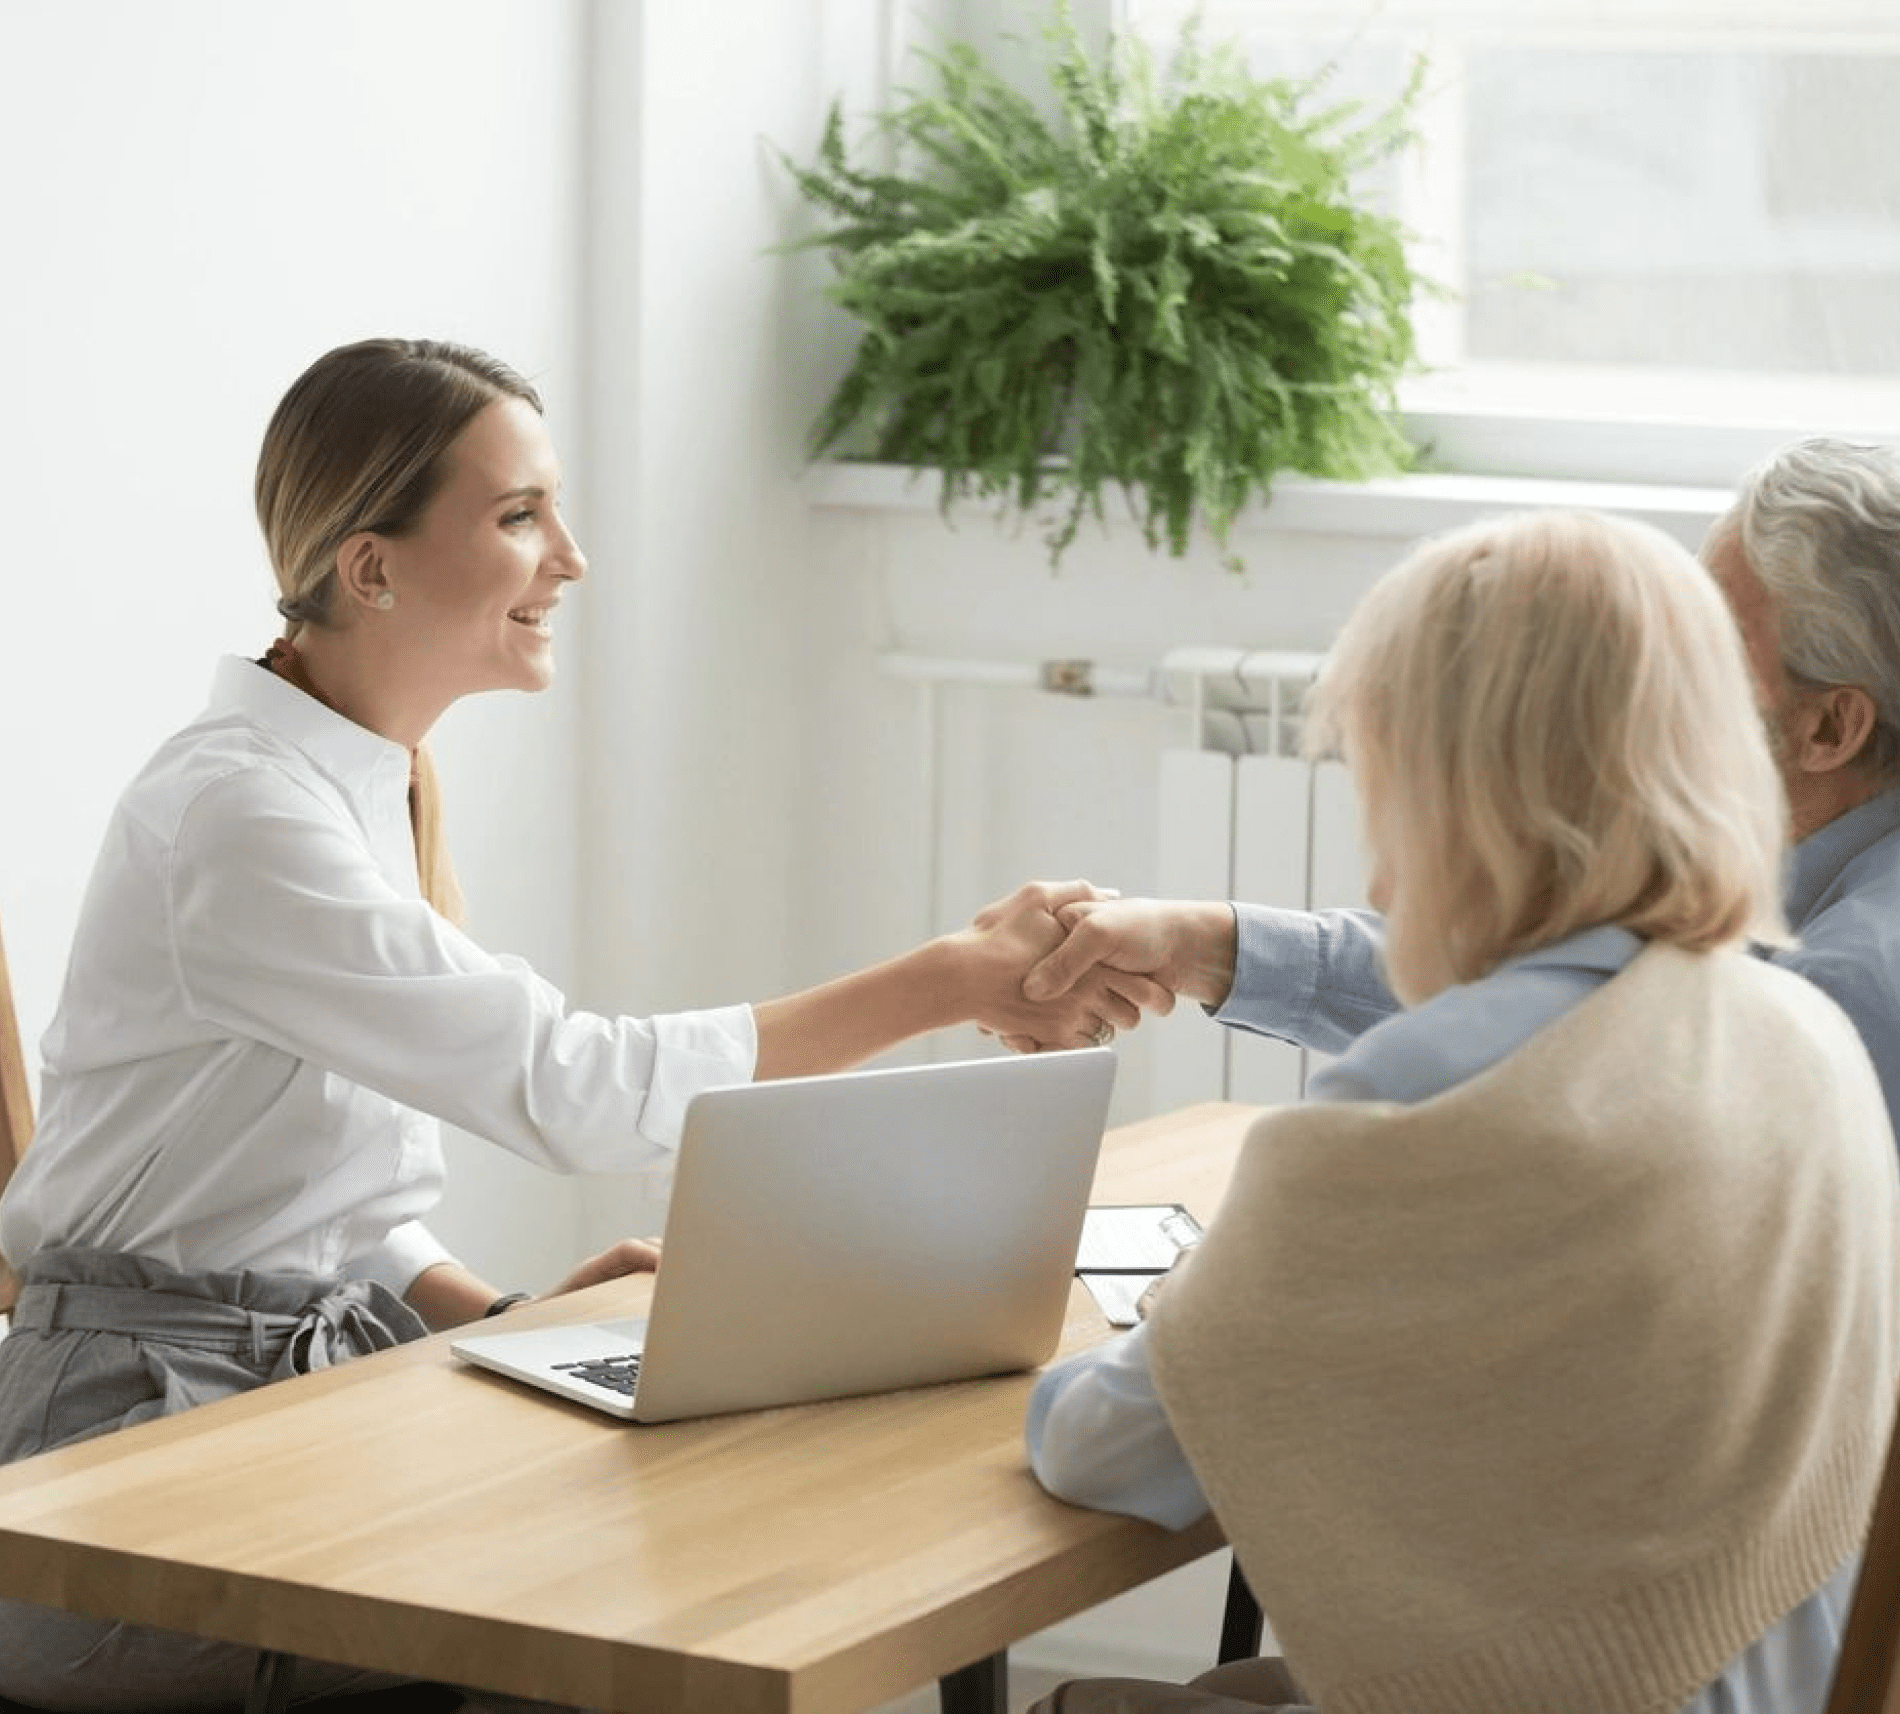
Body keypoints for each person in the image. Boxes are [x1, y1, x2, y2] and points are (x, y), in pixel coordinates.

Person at [0, 336, 1160, 1714]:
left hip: (296, 1390)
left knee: (729, 1534)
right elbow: (569, 1087)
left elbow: (310, 1197)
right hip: (131, 1457)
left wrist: (493, 1311)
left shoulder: (365, 783)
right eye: (518, 515)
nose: (571, 557)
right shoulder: (239, 818)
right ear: (371, 567)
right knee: (656, 1617)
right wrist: (950, 977)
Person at [1023, 509, 1900, 1714]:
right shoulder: (1795, 1027)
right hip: (1773, 1685)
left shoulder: (1411, 1105)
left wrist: (1186, 1309)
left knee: (1089, 1706)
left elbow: (1103, 1454)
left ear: (1449, 782)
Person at [1019, 437, 1900, 1143]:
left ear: (1832, 728)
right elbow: (1560, 997)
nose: (1670, 666)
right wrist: (1206, 943)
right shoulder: (1783, 877)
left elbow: (1567, 1040)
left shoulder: (1846, 987)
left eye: (1714, 639)